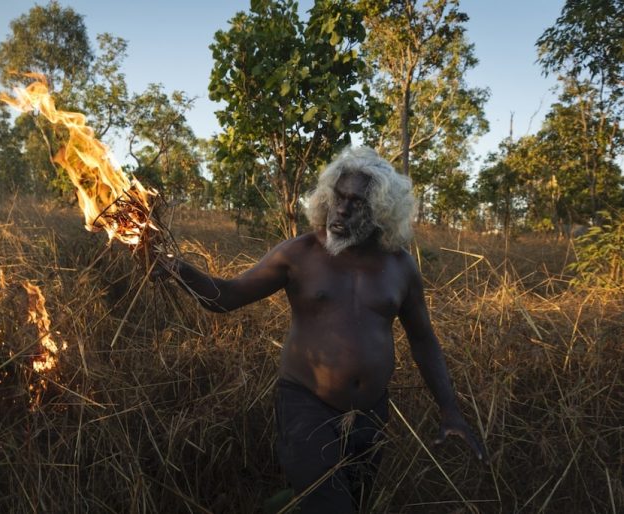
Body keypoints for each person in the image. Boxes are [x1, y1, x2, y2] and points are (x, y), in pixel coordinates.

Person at [152, 146, 484, 513]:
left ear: (381, 211)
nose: (340, 209)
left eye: (356, 202)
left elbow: (423, 340)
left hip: (370, 415)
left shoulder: (400, 267)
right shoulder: (300, 253)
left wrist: (450, 410)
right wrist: (178, 269)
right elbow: (225, 297)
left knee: (352, 503)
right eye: (338, 196)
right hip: (306, 406)